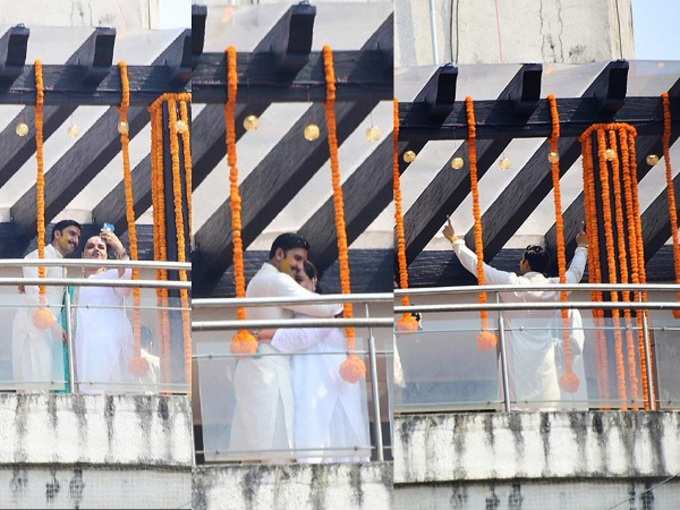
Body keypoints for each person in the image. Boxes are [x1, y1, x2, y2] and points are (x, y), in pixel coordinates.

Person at [443, 220, 588, 405]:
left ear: (525, 264)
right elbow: (575, 274)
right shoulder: (553, 287)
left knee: (516, 406)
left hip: (517, 365)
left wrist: (455, 241)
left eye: (521, 260)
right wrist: (582, 246)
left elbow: (479, 268)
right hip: (545, 363)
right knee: (547, 407)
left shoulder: (513, 284)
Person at [229, 233, 343, 461]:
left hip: (257, 365)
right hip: (268, 368)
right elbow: (319, 306)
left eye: (302, 262)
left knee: (257, 442)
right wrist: (343, 305)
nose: (300, 267)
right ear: (279, 254)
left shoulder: (258, 280)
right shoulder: (276, 281)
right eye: (297, 259)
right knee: (273, 441)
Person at [264, 261, 370, 463]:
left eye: (300, 281)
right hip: (309, 382)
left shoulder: (325, 307)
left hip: (332, 382)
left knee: (335, 437)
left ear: (314, 281)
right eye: (292, 283)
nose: (296, 288)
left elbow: (302, 336)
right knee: (311, 432)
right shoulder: (294, 312)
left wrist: (264, 334)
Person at [12, 220, 81, 391]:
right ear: (57, 234)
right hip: (31, 329)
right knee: (33, 385)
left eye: (78, 236)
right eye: (72, 234)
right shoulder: (38, 256)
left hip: (46, 333)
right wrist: (54, 326)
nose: (76, 240)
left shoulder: (62, 265)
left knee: (42, 383)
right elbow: (34, 294)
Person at [72, 229, 134, 394]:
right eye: (90, 246)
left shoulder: (113, 275)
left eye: (101, 247)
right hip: (83, 346)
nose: (96, 249)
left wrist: (119, 248)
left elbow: (126, 285)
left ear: (106, 256)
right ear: (83, 256)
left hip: (110, 346)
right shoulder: (73, 285)